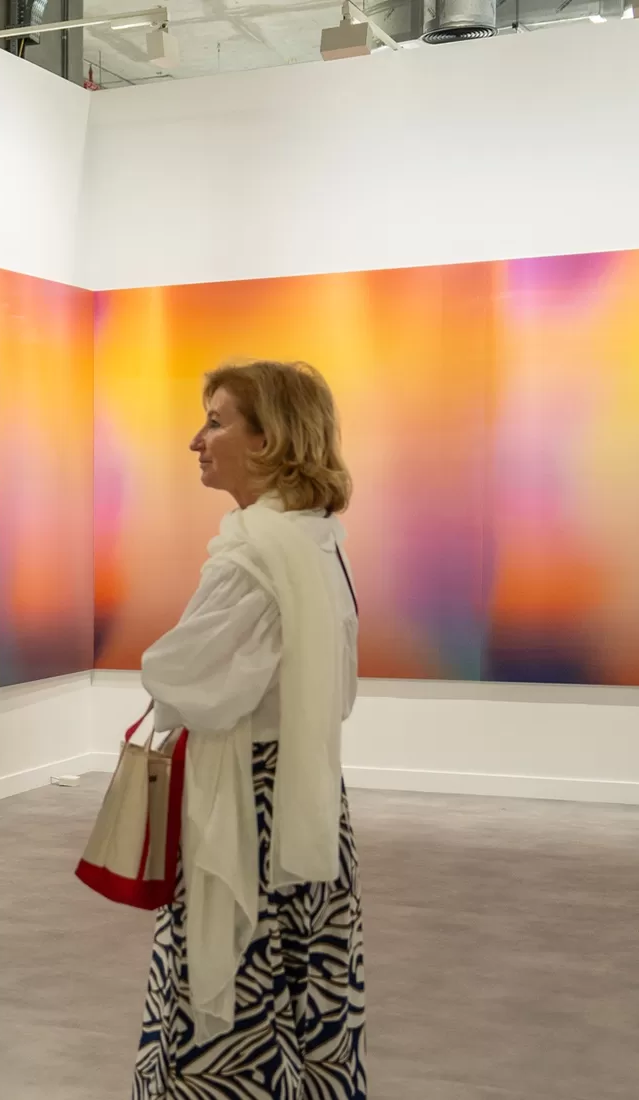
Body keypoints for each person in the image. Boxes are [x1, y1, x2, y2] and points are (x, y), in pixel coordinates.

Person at [133, 359, 366, 1099]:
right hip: (311, 801)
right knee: (307, 997)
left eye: (215, 420)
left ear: (270, 441)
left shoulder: (253, 556)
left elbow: (182, 679)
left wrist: (159, 678)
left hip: (247, 811)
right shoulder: (316, 542)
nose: (195, 439)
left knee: (232, 1000)